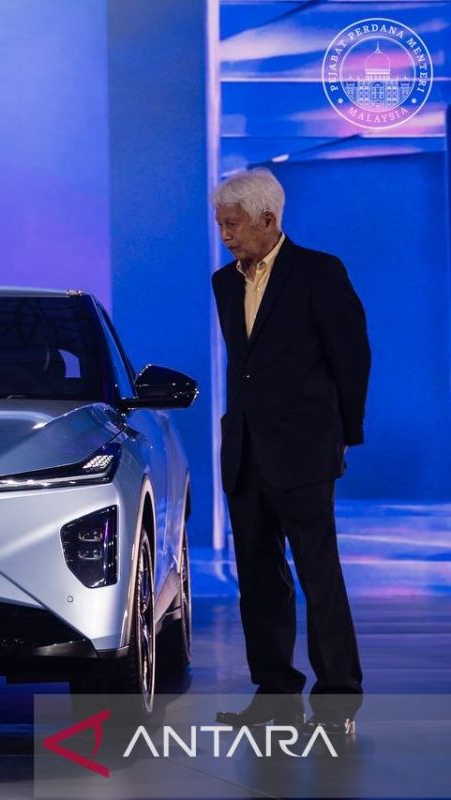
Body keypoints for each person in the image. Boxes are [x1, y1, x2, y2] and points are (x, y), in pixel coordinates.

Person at [210, 168, 370, 736]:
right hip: (246, 450)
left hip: (304, 449)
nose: (225, 235)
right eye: (220, 225)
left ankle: (337, 700)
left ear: (267, 219)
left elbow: (352, 357)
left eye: (233, 224)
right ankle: (275, 694)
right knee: (257, 578)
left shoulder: (319, 273)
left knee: (318, 575)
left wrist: (343, 435)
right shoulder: (224, 282)